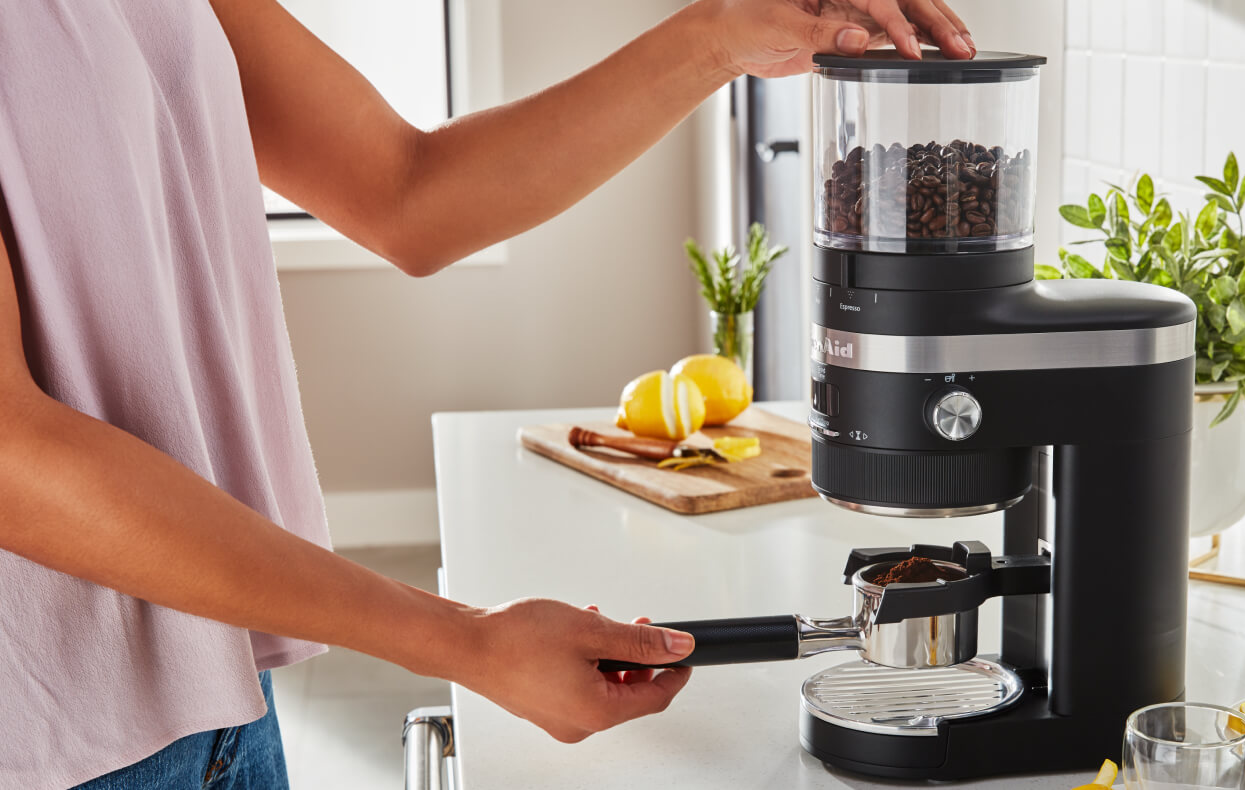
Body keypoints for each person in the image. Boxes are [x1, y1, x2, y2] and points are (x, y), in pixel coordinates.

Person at [0, 1, 974, 787]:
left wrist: (716, 35)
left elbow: (406, 189)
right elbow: (13, 455)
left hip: (213, 703)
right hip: (48, 741)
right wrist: (460, 640)